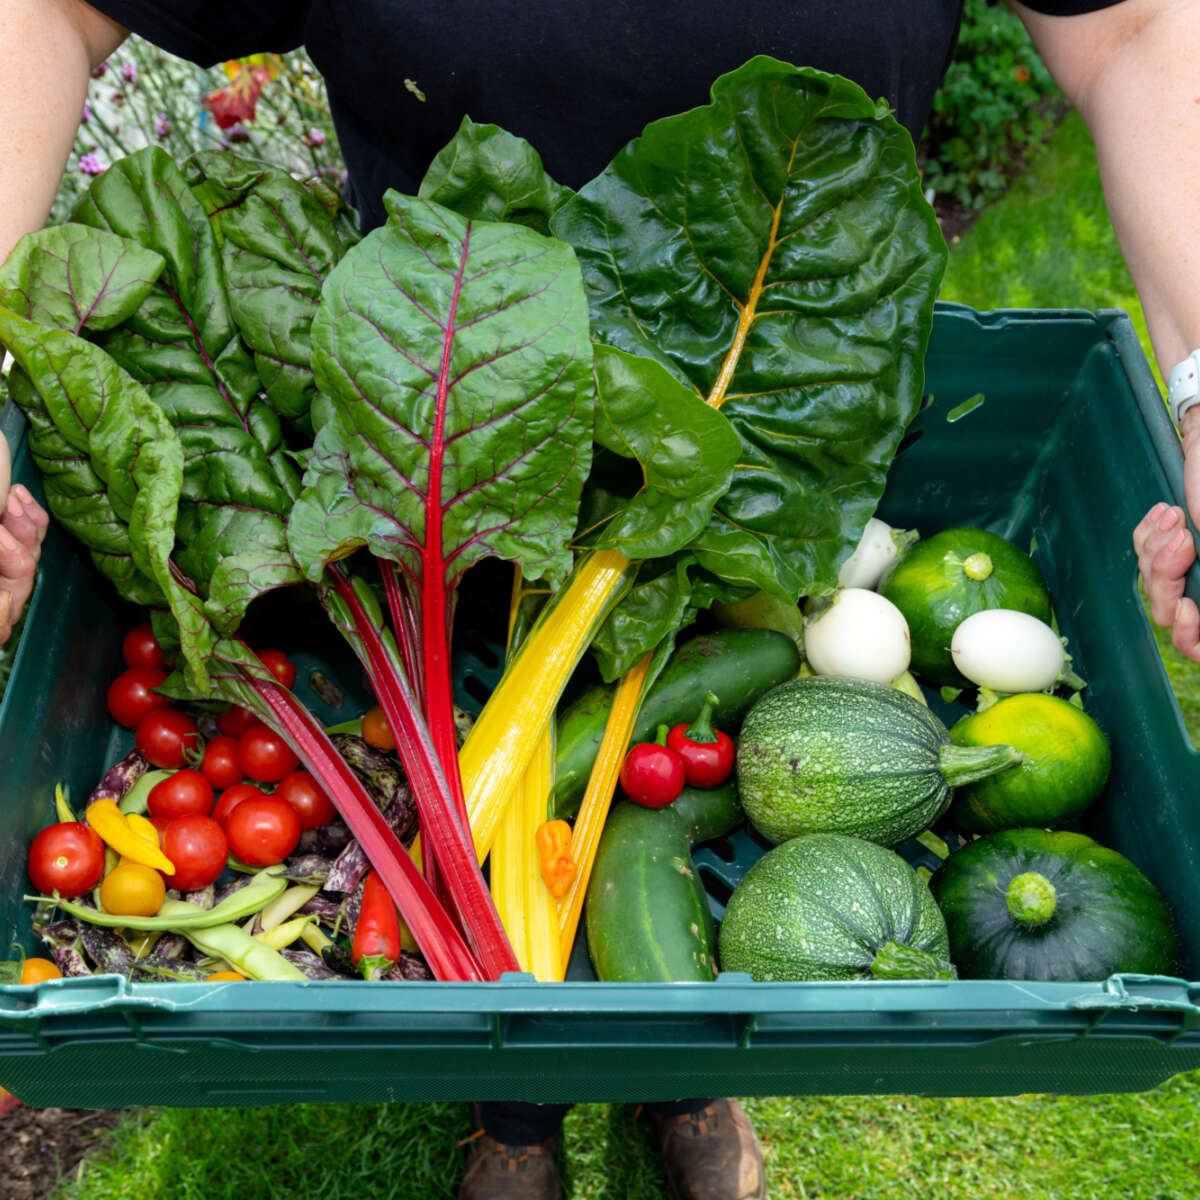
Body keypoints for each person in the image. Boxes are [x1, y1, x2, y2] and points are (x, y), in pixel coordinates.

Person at [5, 1, 1200, 1197]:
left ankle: (682, 1078)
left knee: (650, 785)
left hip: (753, 427)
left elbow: (1141, 25)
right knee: (543, 739)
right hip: (449, 391)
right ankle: (515, 1114)